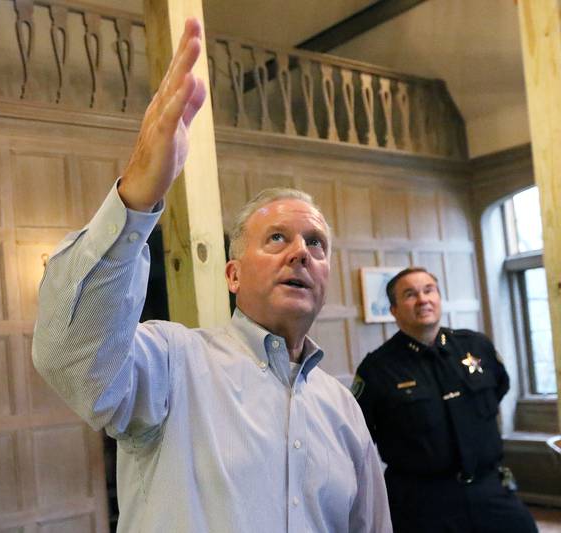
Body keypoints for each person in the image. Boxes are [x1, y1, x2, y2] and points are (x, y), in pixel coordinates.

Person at [32, 17, 391, 533]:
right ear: (233, 275)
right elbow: (69, 357)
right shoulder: (173, 364)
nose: (301, 253)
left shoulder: (341, 408)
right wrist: (136, 195)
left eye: (316, 243)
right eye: (277, 239)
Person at [353, 267, 538, 533]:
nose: (423, 299)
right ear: (393, 310)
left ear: (439, 297)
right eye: (410, 294)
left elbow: (499, 387)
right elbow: (359, 438)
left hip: (489, 489)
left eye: (429, 290)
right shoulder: (377, 370)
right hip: (423, 504)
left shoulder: (476, 346)